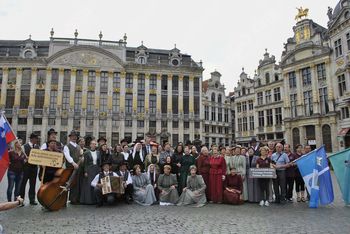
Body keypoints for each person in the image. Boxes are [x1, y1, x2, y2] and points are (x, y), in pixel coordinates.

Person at [19, 133, 39, 205]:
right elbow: (20, 157)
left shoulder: (37, 147)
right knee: (23, 184)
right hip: (26, 168)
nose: (37, 140)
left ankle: (32, 199)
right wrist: (25, 159)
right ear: (31, 139)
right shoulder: (24, 146)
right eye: (35, 138)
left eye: (37, 139)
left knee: (33, 184)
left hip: (34, 168)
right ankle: (21, 200)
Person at [62, 130, 81, 204]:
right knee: (67, 183)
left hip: (77, 166)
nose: (74, 138)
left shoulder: (78, 146)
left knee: (76, 184)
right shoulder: (67, 146)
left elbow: (80, 155)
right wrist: (73, 163)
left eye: (75, 136)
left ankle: (74, 199)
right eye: (72, 136)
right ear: (70, 137)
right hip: (70, 167)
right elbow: (67, 156)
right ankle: (63, 201)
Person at [80, 139, 101, 205]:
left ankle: (95, 200)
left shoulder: (98, 152)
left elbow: (99, 162)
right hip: (89, 170)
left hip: (96, 170)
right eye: (92, 144)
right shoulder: (86, 153)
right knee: (89, 185)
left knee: (95, 184)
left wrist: (100, 170)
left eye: (95, 144)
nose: (94, 145)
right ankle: (88, 200)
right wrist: (85, 171)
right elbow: (85, 163)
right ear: (90, 145)